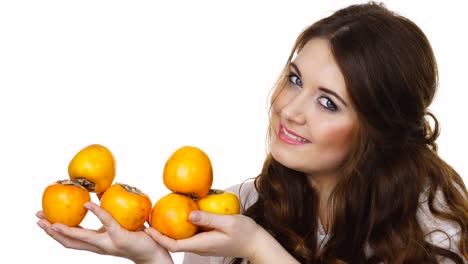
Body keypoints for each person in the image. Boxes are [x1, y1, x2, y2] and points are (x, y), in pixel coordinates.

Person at [36, 2, 467, 263]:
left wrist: (259, 249)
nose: (290, 110)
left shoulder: (435, 229)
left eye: (328, 102)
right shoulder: (247, 206)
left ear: (379, 127)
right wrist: (152, 258)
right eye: (296, 80)